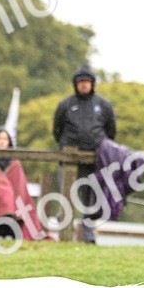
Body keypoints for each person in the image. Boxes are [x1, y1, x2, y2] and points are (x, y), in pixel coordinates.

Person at [53, 64, 116, 243]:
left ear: (93, 83)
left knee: (91, 199)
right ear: (75, 84)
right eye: (80, 81)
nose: (84, 85)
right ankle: (64, 234)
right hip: (69, 159)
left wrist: (99, 147)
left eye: (87, 81)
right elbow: (57, 129)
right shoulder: (66, 104)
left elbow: (111, 130)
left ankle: (88, 237)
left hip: (95, 159)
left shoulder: (103, 105)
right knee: (67, 195)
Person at [0, 129, 48, 241]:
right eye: (0, 139)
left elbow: (19, 184)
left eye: (5, 139)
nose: (2, 142)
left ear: (9, 142)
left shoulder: (15, 162)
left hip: (14, 205)